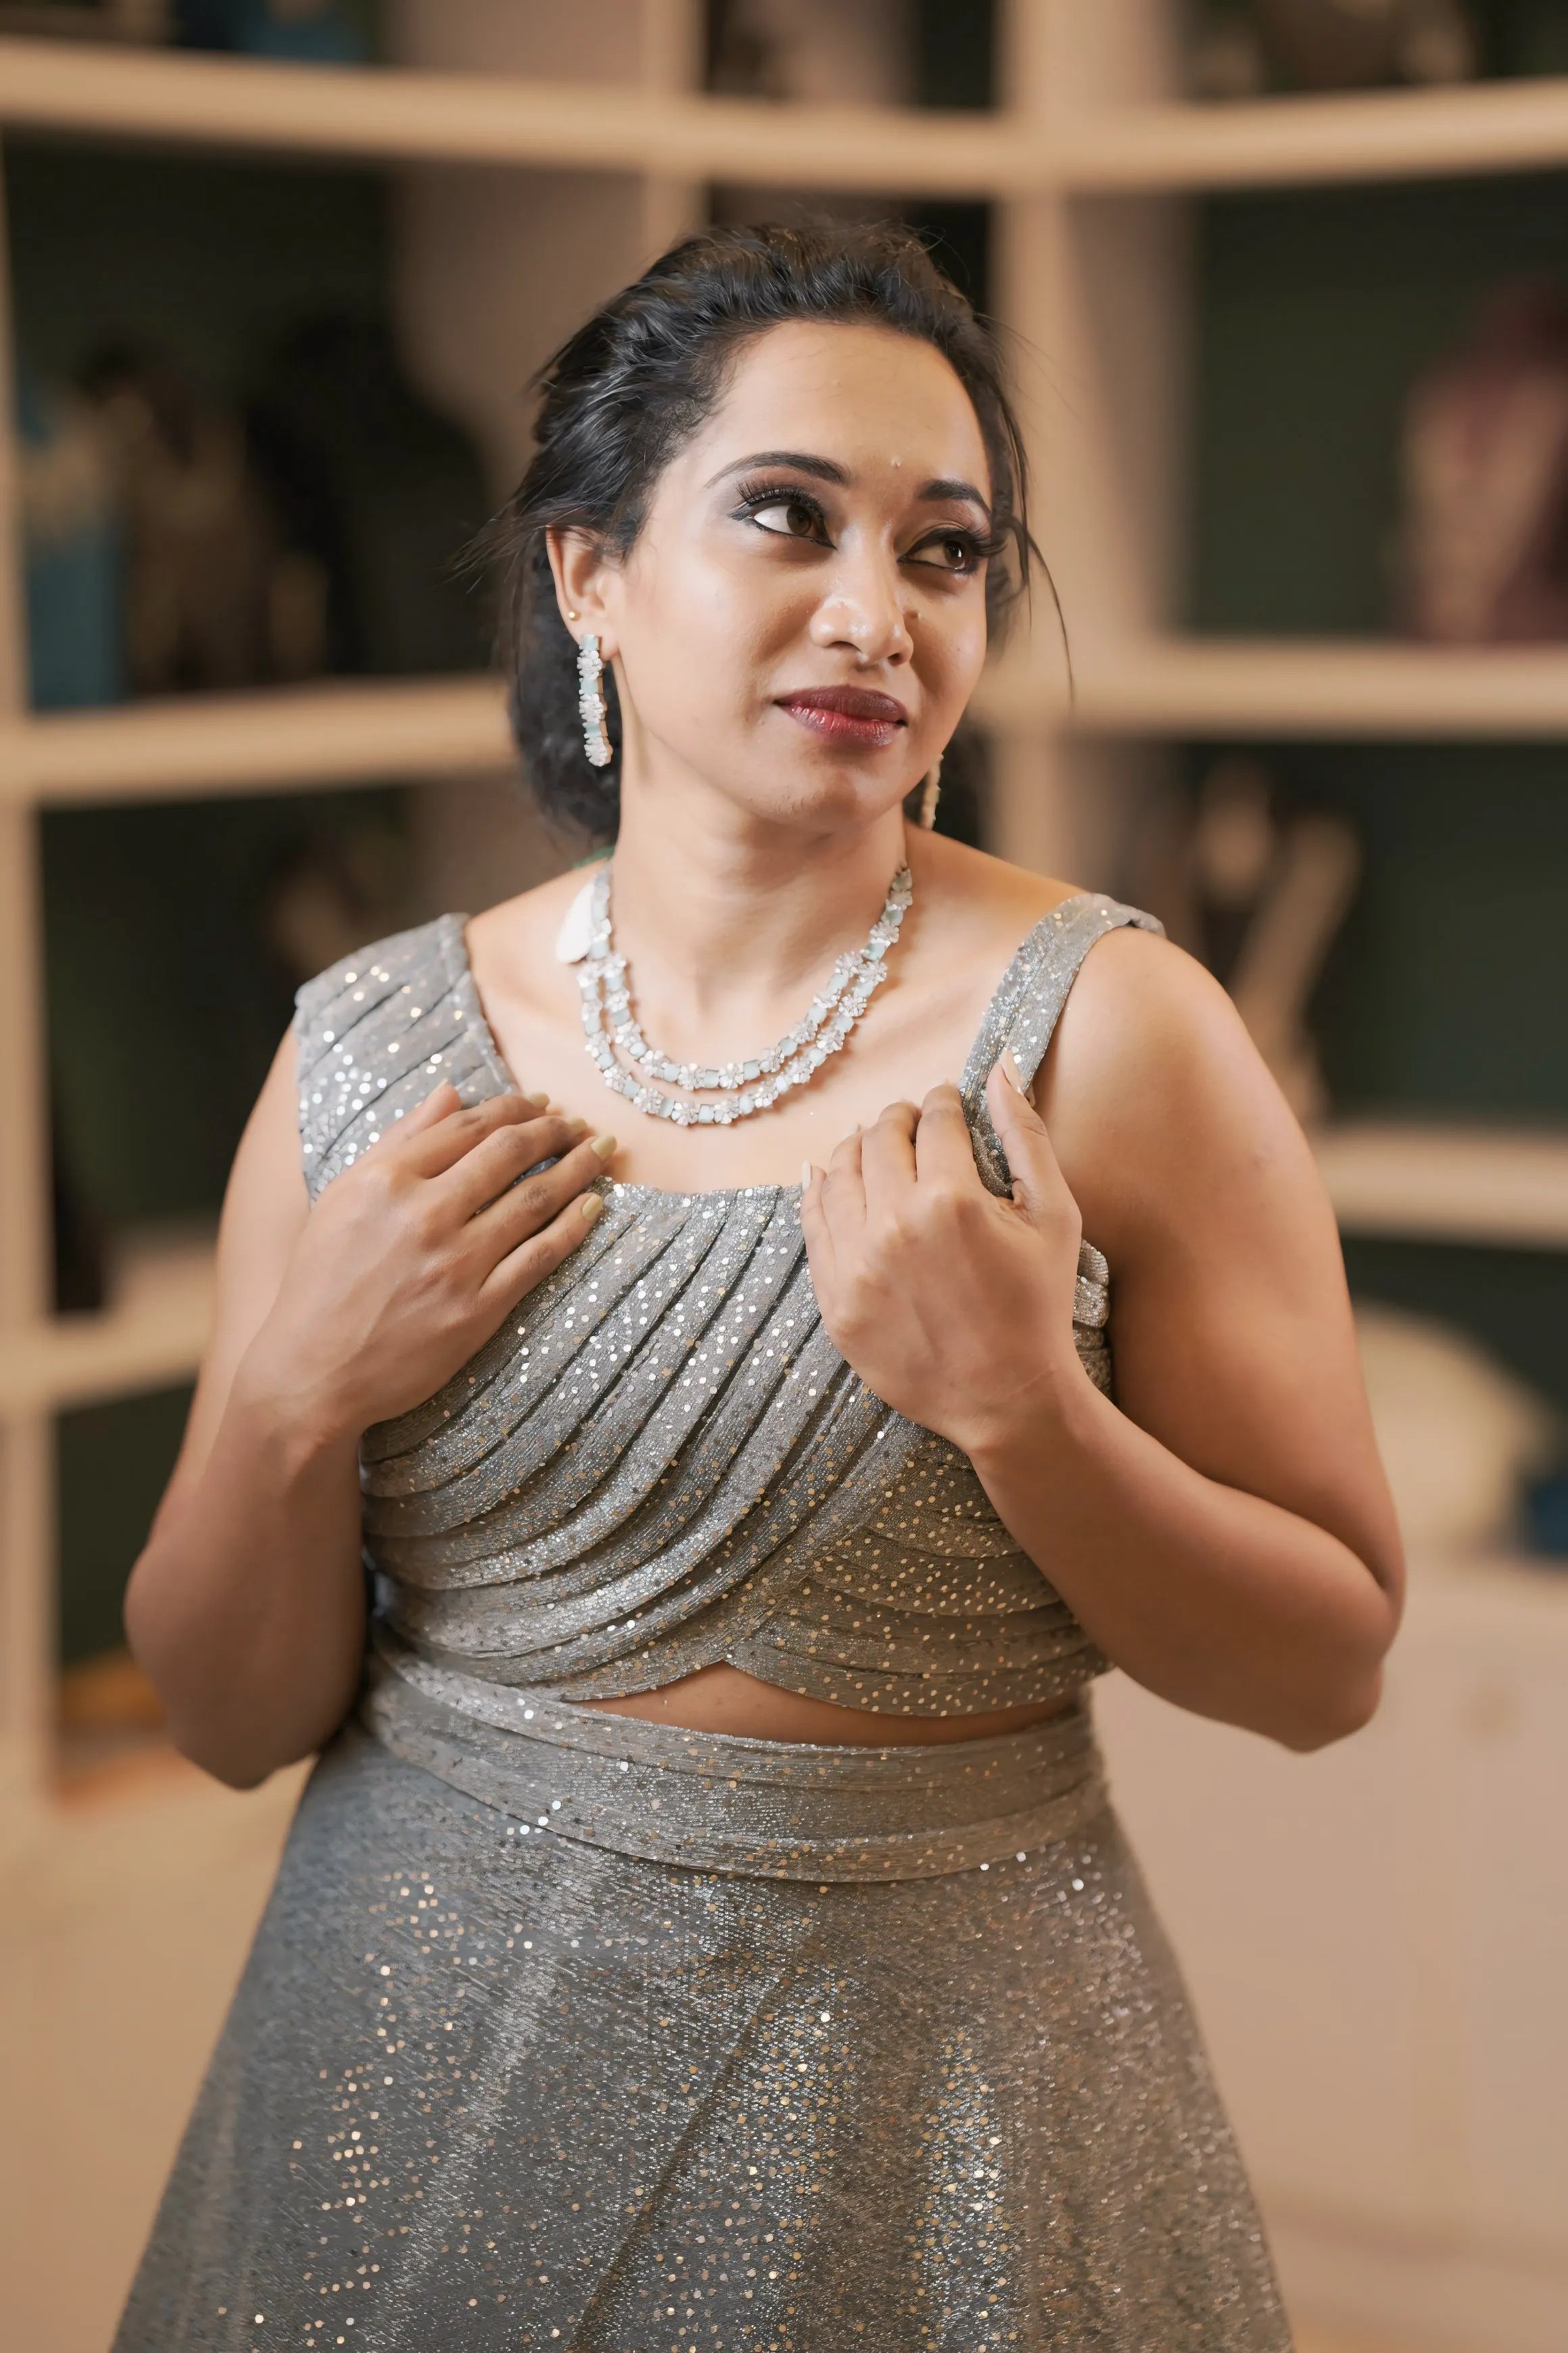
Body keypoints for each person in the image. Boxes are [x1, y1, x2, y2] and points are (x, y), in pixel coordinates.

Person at [115, 222, 1402, 2352]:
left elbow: (1325, 1664)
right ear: (589, 577)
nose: (874, 615)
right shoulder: (367, 1050)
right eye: (787, 518)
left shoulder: (1118, 1037)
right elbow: (224, 1715)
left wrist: (1029, 1410)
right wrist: (289, 1401)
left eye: (947, 549)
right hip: (399, 2080)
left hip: (942, 2119)